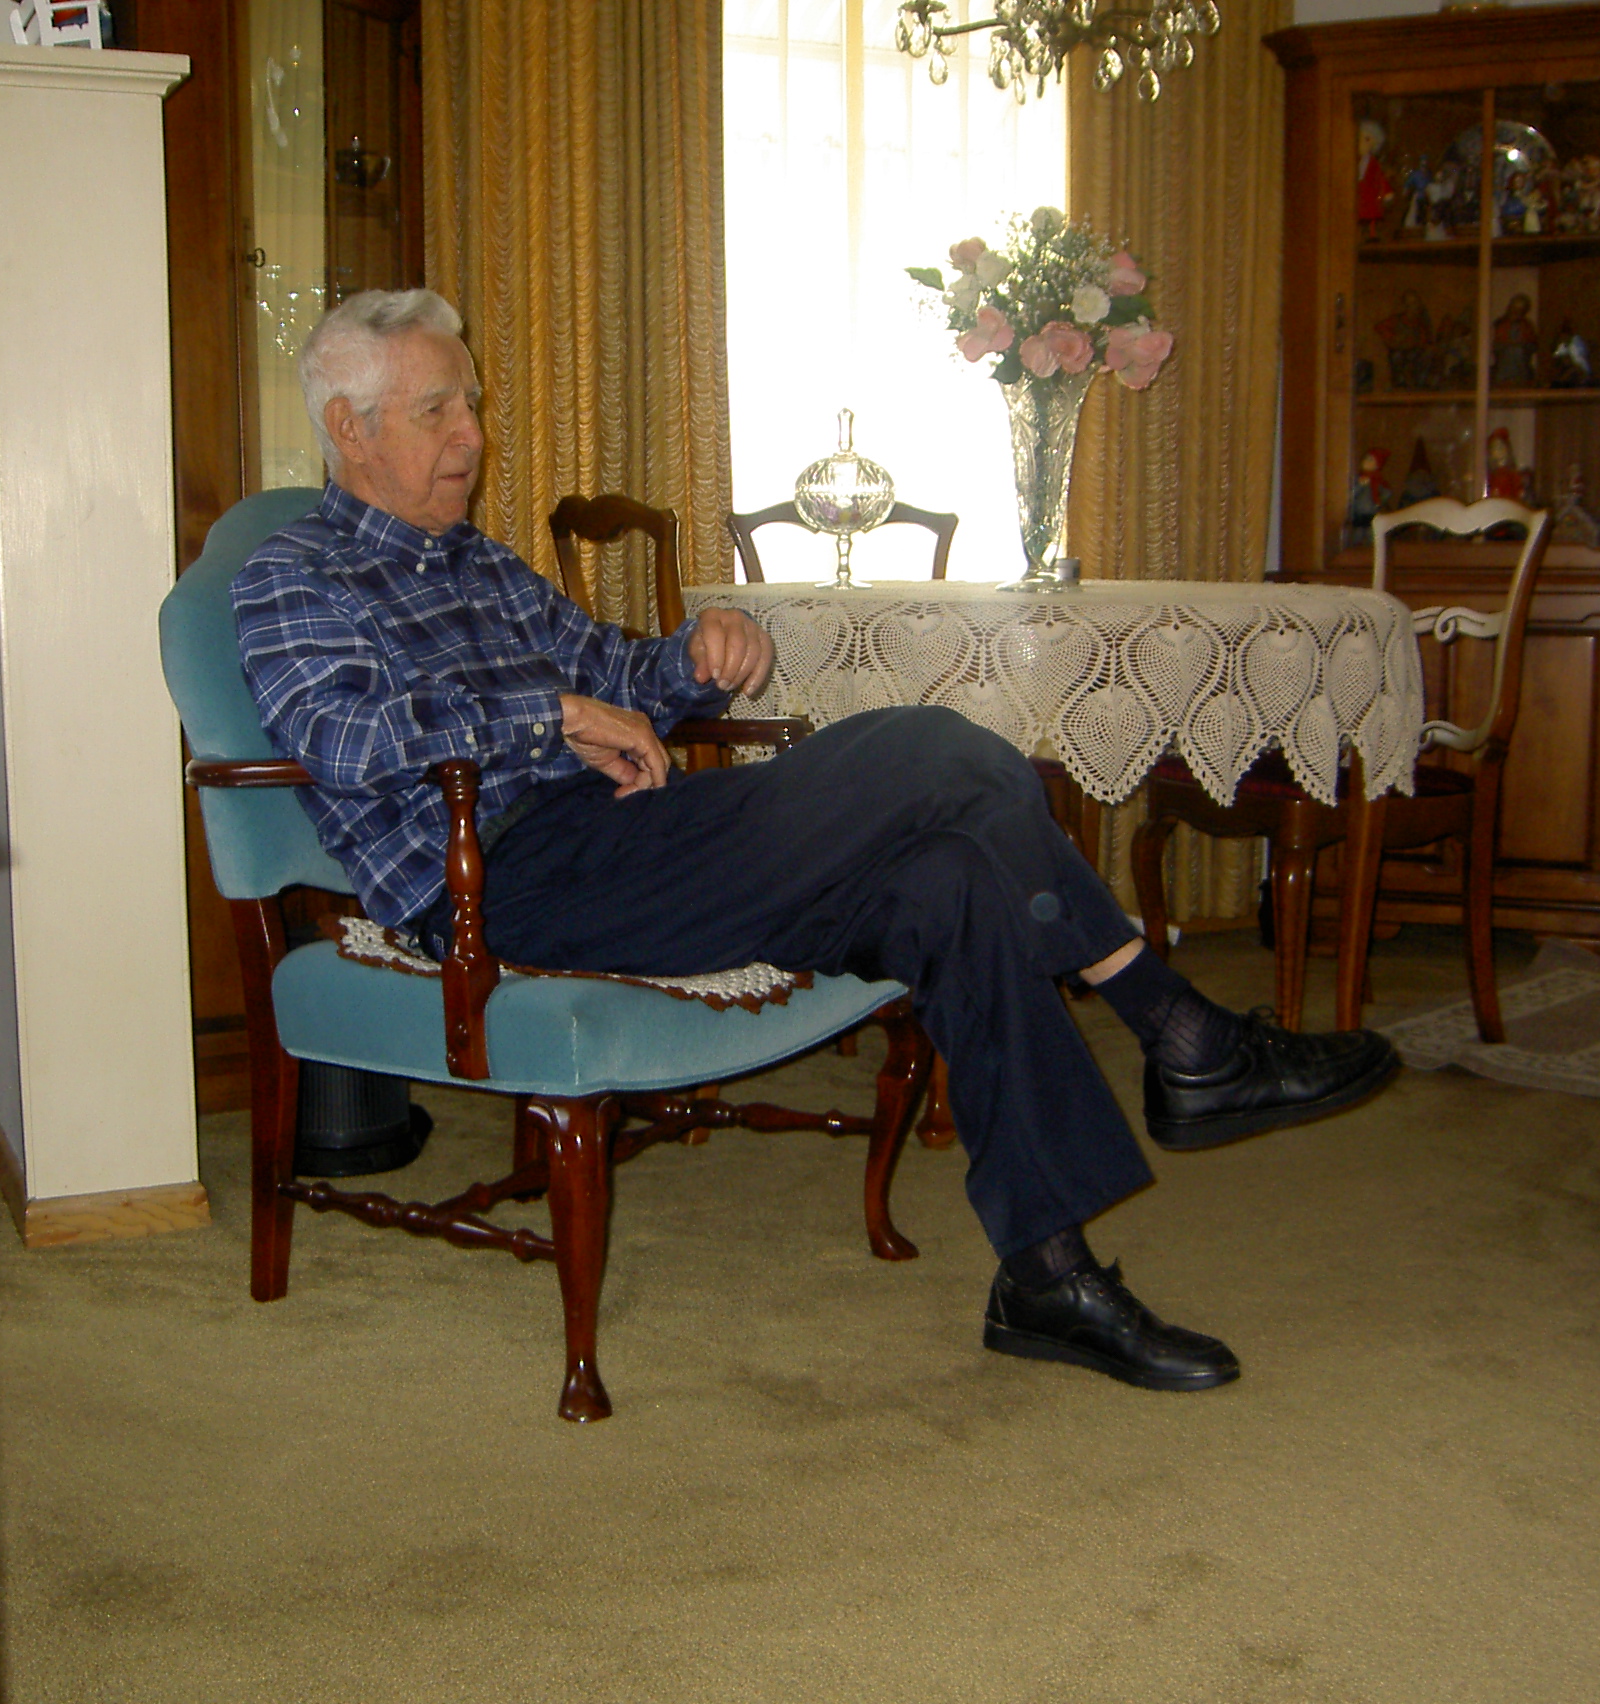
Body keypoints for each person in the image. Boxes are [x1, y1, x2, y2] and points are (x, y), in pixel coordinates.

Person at [232, 289, 1401, 1396]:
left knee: (949, 880)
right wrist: (548, 715)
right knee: (936, 751)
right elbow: (342, 734)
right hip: (497, 881)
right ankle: (1178, 1031)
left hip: (619, 846)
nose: (473, 435)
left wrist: (699, 652)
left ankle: (1048, 1276)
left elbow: (616, 672)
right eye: (438, 409)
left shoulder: (480, 564)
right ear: (350, 428)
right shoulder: (294, 577)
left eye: (472, 405)